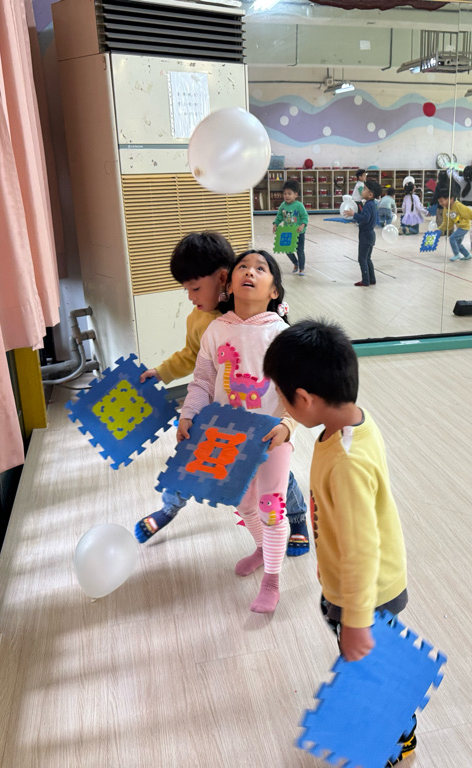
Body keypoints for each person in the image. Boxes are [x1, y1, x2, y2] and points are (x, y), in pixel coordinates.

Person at [263, 319, 415, 766]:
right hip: (358, 586)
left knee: (370, 668)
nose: (280, 404)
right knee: (369, 662)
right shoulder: (350, 423)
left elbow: (361, 550)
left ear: (305, 398)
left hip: (367, 593)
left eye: (283, 396)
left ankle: (397, 737)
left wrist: (356, 620)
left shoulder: (346, 463)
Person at [135, 234, 310, 556]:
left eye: (195, 288)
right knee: (191, 461)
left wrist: (288, 421)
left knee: (275, 474)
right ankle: (169, 508)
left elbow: (289, 374)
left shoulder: (262, 321)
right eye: (186, 290)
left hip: (263, 421)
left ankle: (297, 517)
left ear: (222, 279)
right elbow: (194, 364)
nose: (191, 297)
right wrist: (162, 374)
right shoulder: (204, 323)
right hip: (221, 418)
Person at [178, 249, 294, 613]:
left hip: (271, 437)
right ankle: (262, 548)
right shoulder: (216, 330)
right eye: (243, 266)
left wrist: (287, 425)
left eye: (261, 268)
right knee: (244, 503)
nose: (250, 272)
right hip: (228, 436)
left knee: (271, 507)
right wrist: (188, 415)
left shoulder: (281, 334)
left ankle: (272, 579)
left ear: (274, 291)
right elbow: (202, 380)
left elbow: (296, 390)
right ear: (228, 285)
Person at [344, 178, 382, 286]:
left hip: (366, 235)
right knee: (367, 258)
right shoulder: (372, 204)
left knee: (362, 259)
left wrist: (354, 215)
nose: (362, 191)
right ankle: (372, 279)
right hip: (370, 234)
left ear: (370, 194)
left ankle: (365, 280)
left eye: (364, 189)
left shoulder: (368, 205)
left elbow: (365, 218)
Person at [273, 180, 309, 275]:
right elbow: (279, 217)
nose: (286, 196)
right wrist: (275, 224)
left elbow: (305, 217)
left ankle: (301, 268)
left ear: (295, 194)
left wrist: (302, 225)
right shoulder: (283, 206)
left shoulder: (299, 205)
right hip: (287, 232)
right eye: (285, 194)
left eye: (289, 194)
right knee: (287, 250)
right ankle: (295, 263)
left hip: (299, 232)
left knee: (299, 250)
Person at [435, 188, 472, 262]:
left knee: (452, 238)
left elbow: (470, 212)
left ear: (451, 199)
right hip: (460, 227)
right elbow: (446, 222)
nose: (440, 203)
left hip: (464, 227)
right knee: (458, 243)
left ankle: (456, 254)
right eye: (439, 202)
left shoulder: (458, 206)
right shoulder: (446, 209)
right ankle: (467, 255)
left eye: (442, 201)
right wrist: (440, 229)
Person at [455, 165, 472, 250]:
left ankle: (458, 242)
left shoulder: (461, 180)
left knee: (461, 225)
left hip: (463, 206)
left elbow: (454, 175)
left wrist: (450, 170)